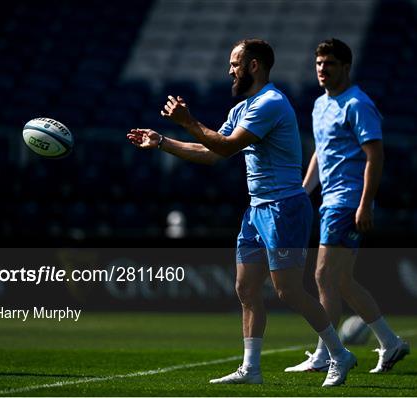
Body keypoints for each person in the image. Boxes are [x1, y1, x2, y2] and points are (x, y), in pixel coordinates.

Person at [127, 39, 356, 387]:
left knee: (288, 291)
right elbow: (212, 153)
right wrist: (162, 141)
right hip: (257, 208)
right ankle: (251, 369)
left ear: (254, 66)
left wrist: (188, 121)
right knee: (246, 288)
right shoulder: (244, 107)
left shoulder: (271, 103)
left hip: (283, 208)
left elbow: (227, 145)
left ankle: (339, 355)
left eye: (235, 63)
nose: (229, 70)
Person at [284, 38, 410, 375]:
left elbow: (376, 155)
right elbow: (320, 153)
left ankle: (326, 353)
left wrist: (365, 203)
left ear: (345, 67)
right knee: (341, 282)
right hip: (330, 200)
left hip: (348, 200)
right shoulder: (319, 105)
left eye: (330, 64)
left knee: (323, 276)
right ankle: (390, 341)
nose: (322, 70)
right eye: (319, 64)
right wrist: (302, 191)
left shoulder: (358, 104)